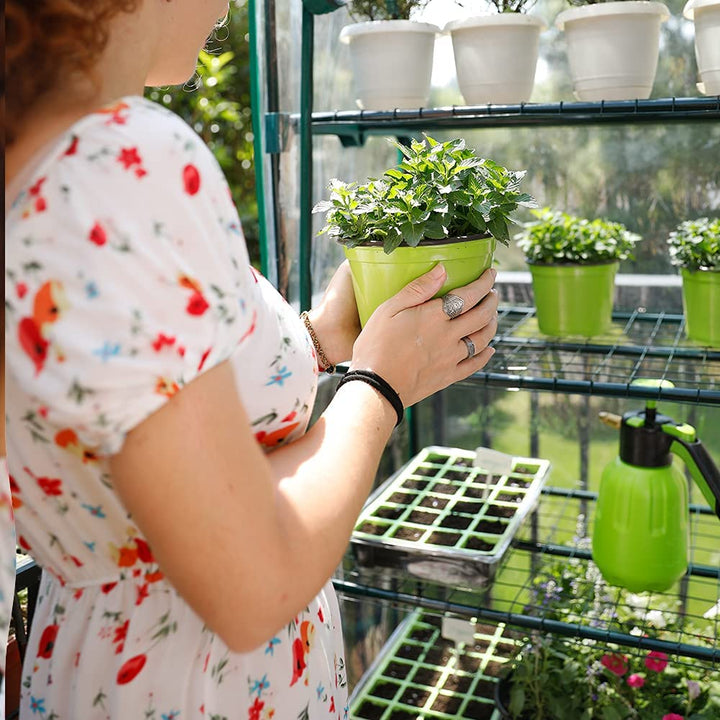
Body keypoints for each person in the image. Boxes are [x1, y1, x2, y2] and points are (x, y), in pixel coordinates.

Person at [4, 1, 499, 717]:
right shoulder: (120, 163)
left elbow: (150, 412)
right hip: (200, 687)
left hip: (94, 668)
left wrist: (317, 342)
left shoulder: (37, 155)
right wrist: (382, 384)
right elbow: (252, 583)